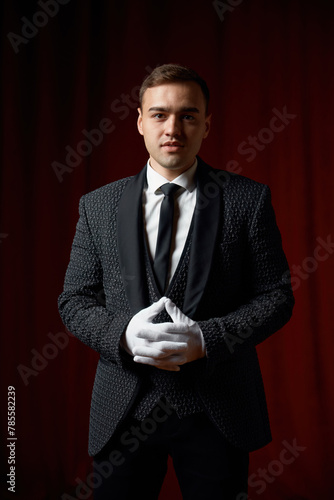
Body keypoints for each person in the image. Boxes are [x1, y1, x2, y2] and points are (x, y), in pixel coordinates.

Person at [58, 64, 294, 499]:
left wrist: (208, 339)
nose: (173, 128)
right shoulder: (97, 205)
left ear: (207, 124)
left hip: (217, 406)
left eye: (188, 115)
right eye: (160, 114)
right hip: (122, 408)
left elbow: (276, 296)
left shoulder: (248, 199)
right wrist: (123, 335)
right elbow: (74, 300)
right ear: (140, 122)